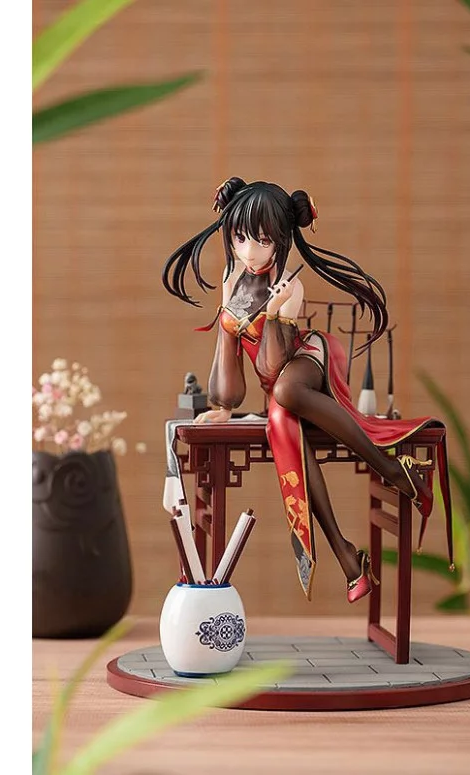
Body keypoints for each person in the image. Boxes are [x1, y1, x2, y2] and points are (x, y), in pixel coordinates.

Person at [163, 178, 453, 602]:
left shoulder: (291, 286)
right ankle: (348, 556)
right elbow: (230, 352)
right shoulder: (231, 277)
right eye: (240, 237)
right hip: (280, 386)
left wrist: (275, 313)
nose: (249, 251)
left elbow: (273, 365)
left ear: (281, 240)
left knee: (284, 395)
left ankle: (391, 470)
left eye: (262, 241)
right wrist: (223, 405)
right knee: (283, 423)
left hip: (307, 359)